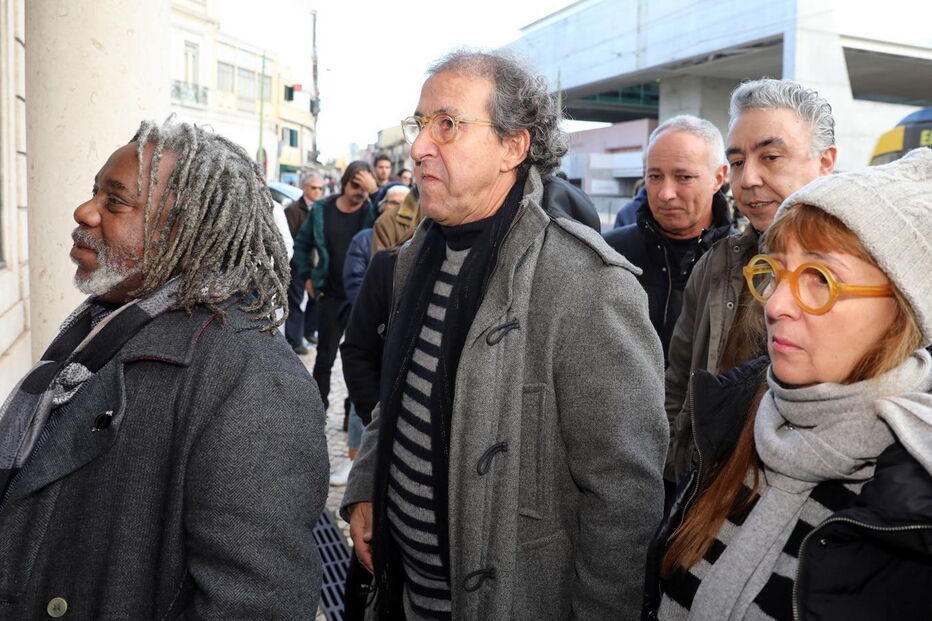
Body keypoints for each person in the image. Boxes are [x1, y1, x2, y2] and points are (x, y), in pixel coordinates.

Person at [341, 50, 667, 620]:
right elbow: (393, 399)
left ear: (513, 147)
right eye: (420, 125)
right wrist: (367, 484)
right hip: (402, 596)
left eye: (447, 125)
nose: (419, 147)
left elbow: (624, 500)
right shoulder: (411, 264)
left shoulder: (586, 286)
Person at [0, 119, 328, 618]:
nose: (83, 211)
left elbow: (256, 602)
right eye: (95, 193)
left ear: (188, 231)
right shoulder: (102, 327)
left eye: (116, 201)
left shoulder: (252, 379)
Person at [643, 148, 932, 620]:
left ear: (904, 308)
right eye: (773, 272)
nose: (775, 304)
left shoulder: (915, 496)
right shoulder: (737, 416)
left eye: (819, 278)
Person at [664, 79, 837, 483]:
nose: (748, 180)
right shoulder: (716, 266)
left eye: (771, 156)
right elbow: (677, 385)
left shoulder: (875, 274)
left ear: (825, 161)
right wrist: (675, 478)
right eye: (738, 162)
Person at [604, 115, 732, 357]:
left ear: (718, 178)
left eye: (684, 177)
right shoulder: (608, 254)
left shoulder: (744, 262)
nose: (665, 194)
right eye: (654, 177)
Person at [294, 160, 379, 411]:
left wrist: (374, 192)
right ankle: (317, 409)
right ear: (344, 183)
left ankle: (352, 414)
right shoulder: (322, 209)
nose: (360, 192)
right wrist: (308, 277)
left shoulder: (371, 212)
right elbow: (301, 245)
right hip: (329, 294)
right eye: (355, 185)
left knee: (359, 360)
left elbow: (395, 228)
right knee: (324, 358)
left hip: (361, 298)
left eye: (365, 187)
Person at [284, 172, 325, 354]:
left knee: (315, 300)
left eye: (320, 188)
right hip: (297, 266)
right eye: (313, 188)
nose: (317, 192)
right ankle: (294, 340)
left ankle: (309, 332)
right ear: (304, 188)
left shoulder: (322, 208)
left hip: (317, 265)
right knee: (296, 302)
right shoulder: (293, 209)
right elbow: (290, 239)